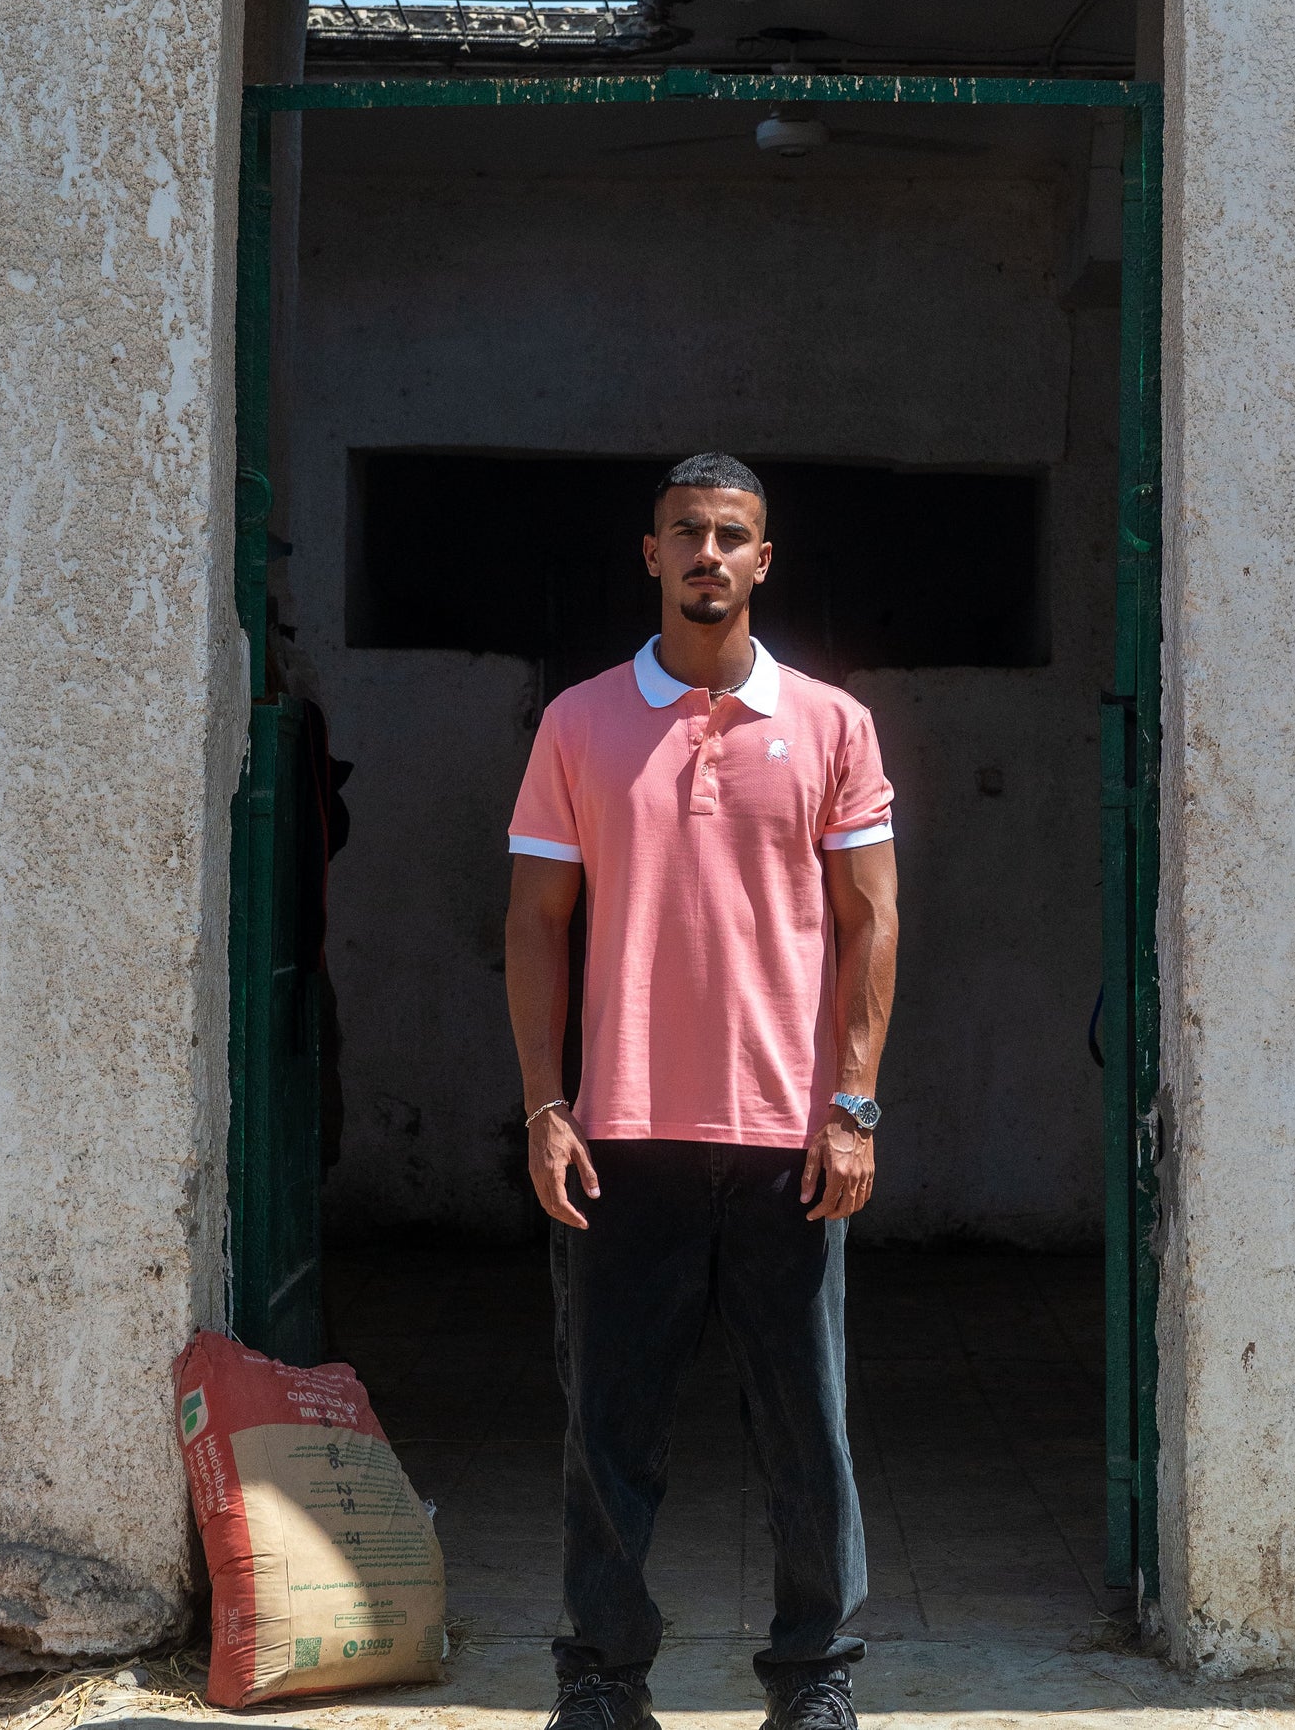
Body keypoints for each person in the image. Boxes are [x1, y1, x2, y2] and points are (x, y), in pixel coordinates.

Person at [503, 453, 900, 1730]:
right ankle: (603, 1683)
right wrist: (542, 1104)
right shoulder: (576, 723)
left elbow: (872, 918)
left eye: (732, 535)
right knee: (608, 1433)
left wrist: (852, 1106)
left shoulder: (832, 723)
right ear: (651, 552)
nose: (708, 554)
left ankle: (813, 1684)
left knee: (808, 1434)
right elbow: (533, 921)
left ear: (763, 559)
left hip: (790, 1139)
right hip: (624, 1134)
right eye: (687, 533)